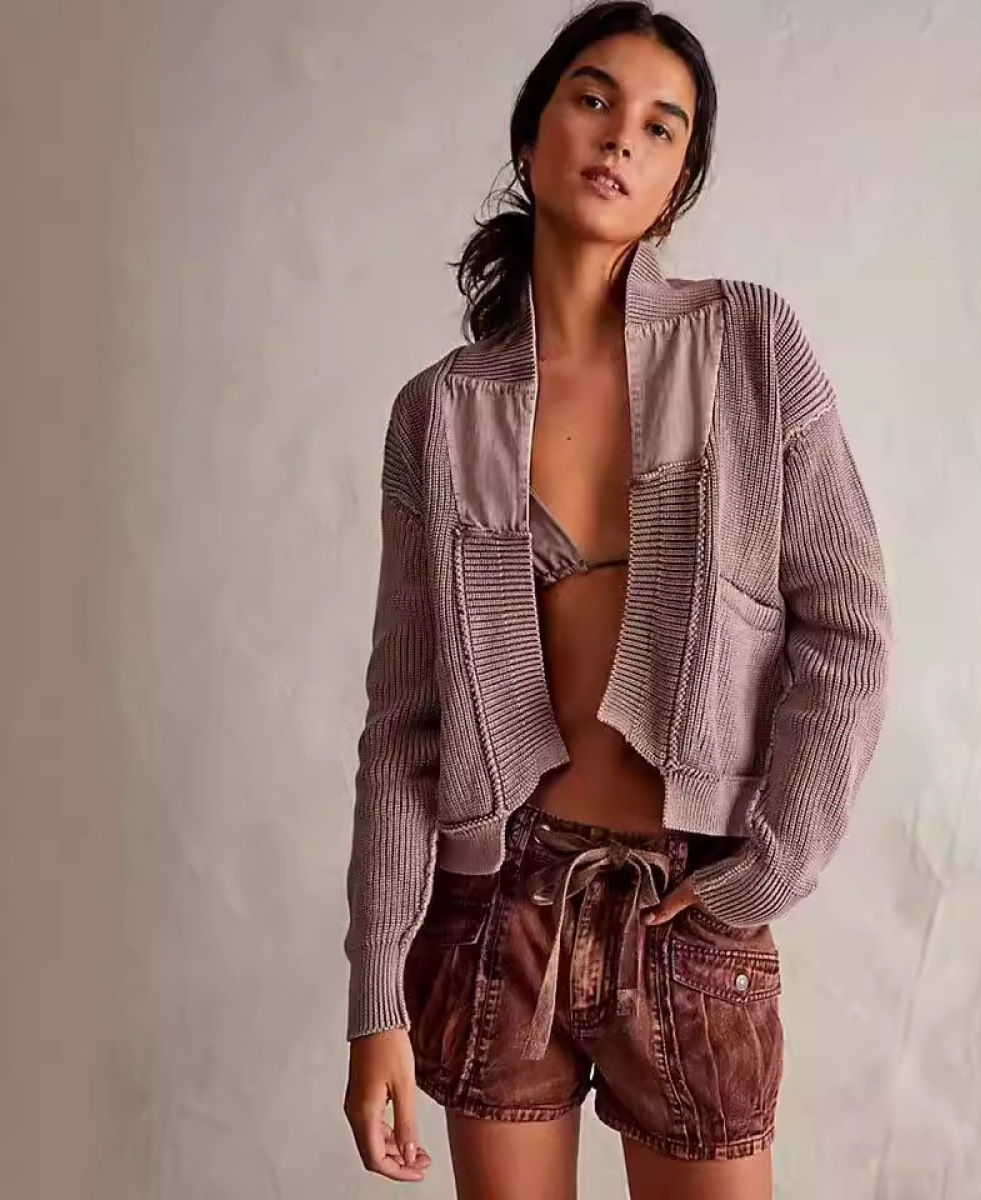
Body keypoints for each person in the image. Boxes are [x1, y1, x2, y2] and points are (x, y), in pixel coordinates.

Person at [341, 3, 891, 1197]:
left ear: (676, 183)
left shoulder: (752, 343)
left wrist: (768, 869)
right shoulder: (437, 413)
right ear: (532, 130)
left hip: (688, 914)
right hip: (496, 915)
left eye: (661, 126)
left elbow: (848, 632)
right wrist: (374, 997)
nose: (620, 138)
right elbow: (404, 725)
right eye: (593, 99)